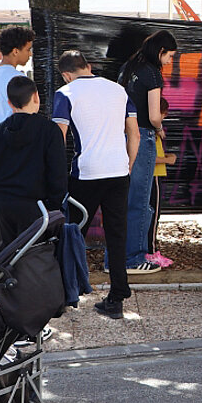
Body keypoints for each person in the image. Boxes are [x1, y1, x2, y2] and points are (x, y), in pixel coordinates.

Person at [52, 50, 141, 319]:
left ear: (66, 74)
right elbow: (134, 134)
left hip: (86, 172)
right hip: (118, 170)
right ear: (88, 66)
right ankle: (117, 297)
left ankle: (63, 295)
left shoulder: (65, 93)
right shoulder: (118, 90)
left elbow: (59, 137)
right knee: (117, 235)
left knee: (70, 233)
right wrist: (128, 166)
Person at [0, 76, 67, 254]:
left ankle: (9, 282)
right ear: (36, 97)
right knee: (36, 256)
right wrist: (54, 205)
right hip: (37, 205)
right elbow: (58, 172)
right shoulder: (49, 130)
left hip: (4, 203)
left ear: (9, 102)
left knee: (8, 256)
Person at [118, 30, 175, 276]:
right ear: (160, 52)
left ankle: (119, 257)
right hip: (142, 136)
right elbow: (153, 115)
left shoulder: (128, 67)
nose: (170, 61)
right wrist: (160, 128)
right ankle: (134, 258)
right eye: (170, 56)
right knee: (141, 200)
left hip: (123, 134)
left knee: (125, 199)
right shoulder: (152, 73)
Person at [147, 98, 178, 269]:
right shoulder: (149, 131)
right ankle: (151, 252)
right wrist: (167, 160)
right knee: (153, 215)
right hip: (153, 175)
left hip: (151, 175)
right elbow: (147, 157)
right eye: (163, 115)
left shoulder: (147, 129)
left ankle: (149, 249)